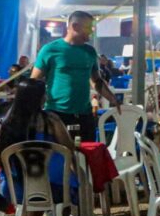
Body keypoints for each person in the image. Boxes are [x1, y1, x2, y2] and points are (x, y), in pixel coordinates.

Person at [0, 78, 77, 216]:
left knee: (33, 184)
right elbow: (67, 149)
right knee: (66, 186)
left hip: (15, 189)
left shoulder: (3, 124)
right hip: (52, 187)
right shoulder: (51, 120)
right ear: (39, 98)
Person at [30, 10, 117, 141]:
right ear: (75, 26)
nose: (91, 31)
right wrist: (35, 111)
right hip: (56, 114)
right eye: (88, 27)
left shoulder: (90, 52)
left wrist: (113, 99)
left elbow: (96, 81)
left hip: (84, 115)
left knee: (87, 151)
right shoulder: (50, 50)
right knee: (59, 152)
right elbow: (34, 82)